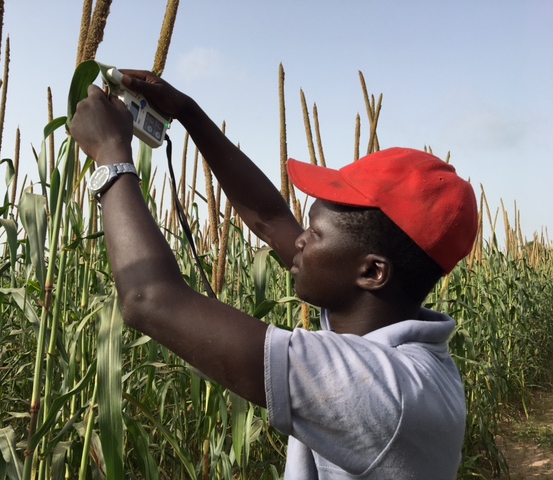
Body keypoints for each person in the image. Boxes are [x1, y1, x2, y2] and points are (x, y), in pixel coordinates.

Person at [70, 69, 478, 479]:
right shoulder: (384, 328)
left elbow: (149, 300)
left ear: (372, 272)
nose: (298, 241)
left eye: (314, 235)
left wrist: (111, 156)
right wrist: (187, 112)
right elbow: (269, 218)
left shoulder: (384, 390)